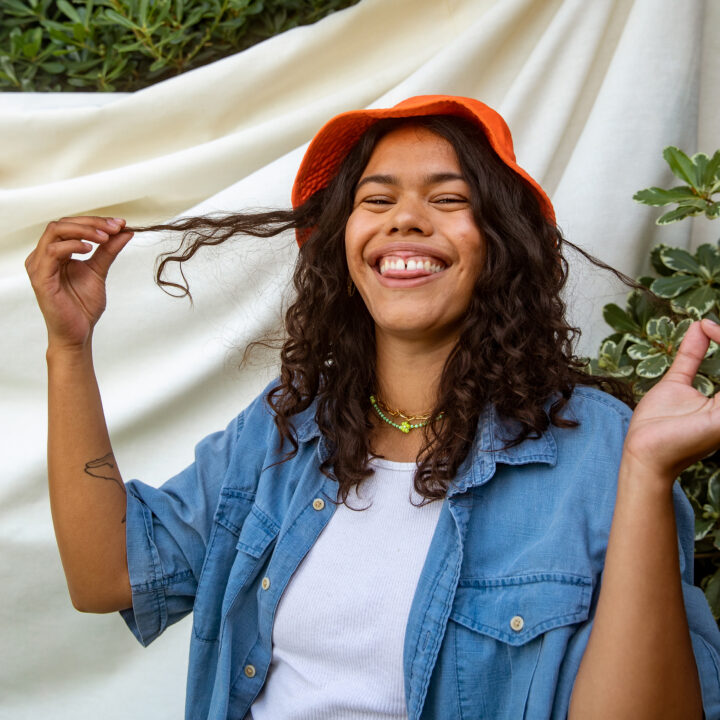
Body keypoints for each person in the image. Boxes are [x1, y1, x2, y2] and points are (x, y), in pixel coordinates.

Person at [25, 95, 720, 719]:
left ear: (501, 243)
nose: (406, 221)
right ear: (343, 245)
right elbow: (108, 575)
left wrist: (649, 474)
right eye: (377, 200)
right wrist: (69, 348)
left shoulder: (600, 450)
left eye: (449, 200)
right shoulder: (285, 429)